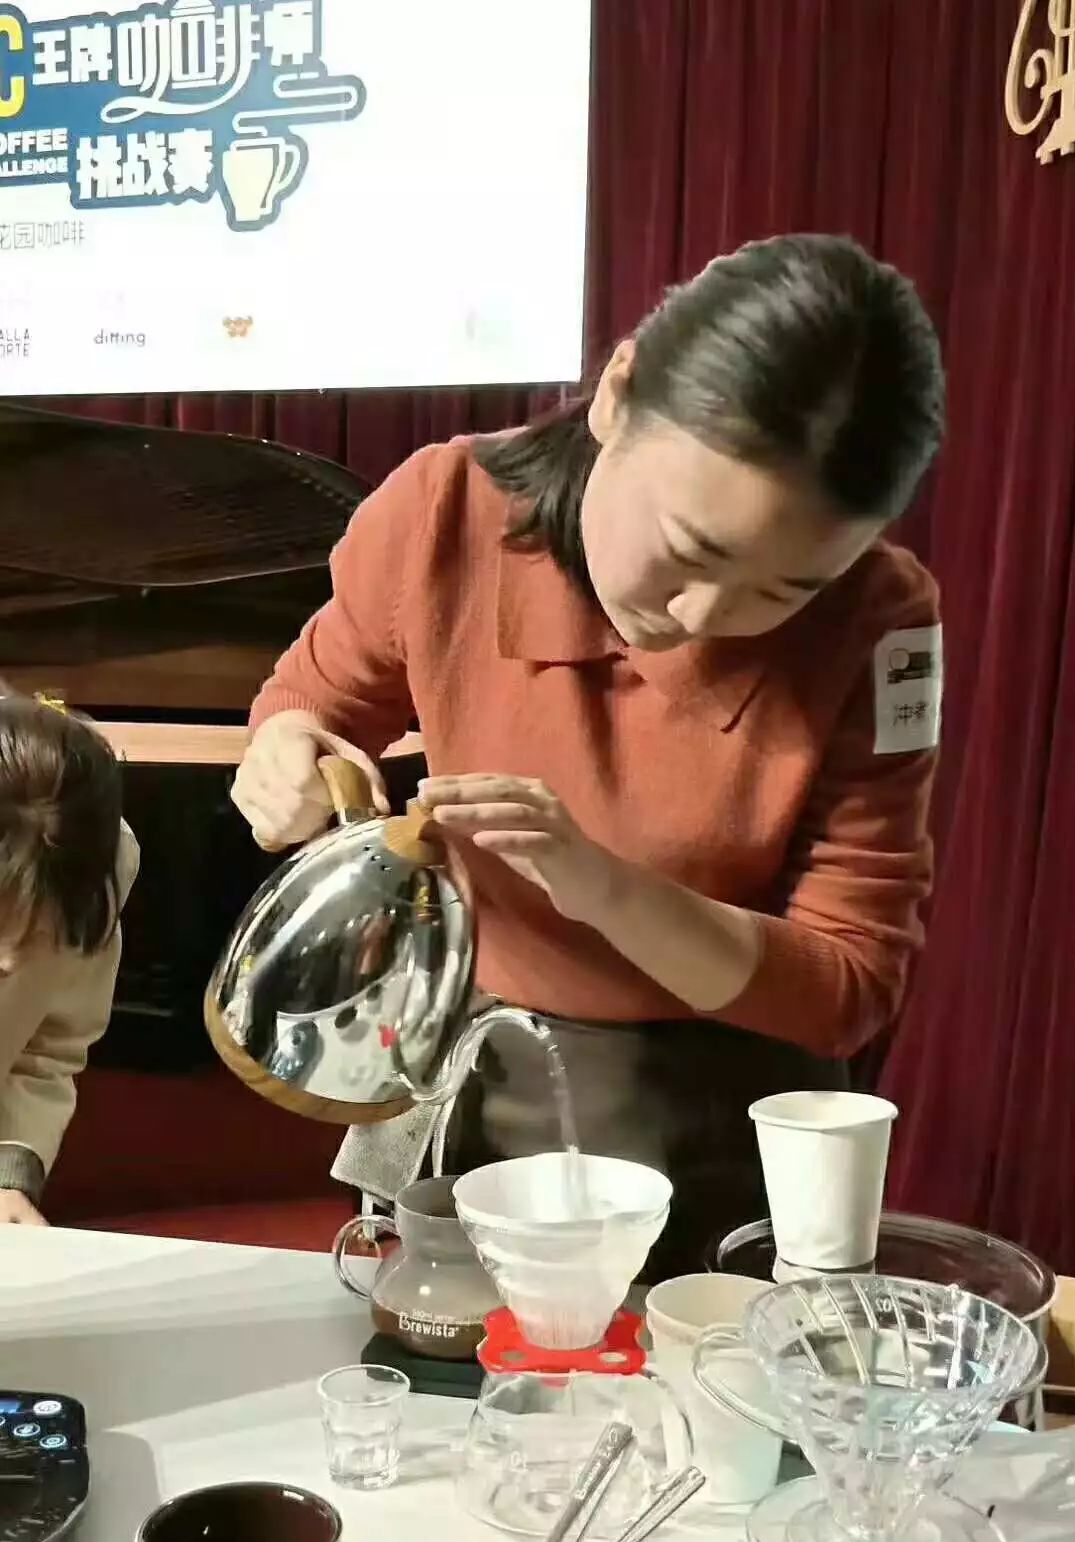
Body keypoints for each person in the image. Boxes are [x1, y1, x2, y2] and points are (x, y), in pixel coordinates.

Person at [231, 234, 945, 1276]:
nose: (701, 616)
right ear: (617, 393)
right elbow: (310, 700)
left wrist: (604, 888)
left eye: (784, 591)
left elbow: (847, 983)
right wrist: (286, 752)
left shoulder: (881, 623)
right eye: (688, 550)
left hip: (717, 1107)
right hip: (474, 1062)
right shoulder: (446, 513)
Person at [0, 689, 139, 1223]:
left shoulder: (95, 855)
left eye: (34, 934)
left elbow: (45, 1045)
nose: (9, 962)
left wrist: (8, 1174)